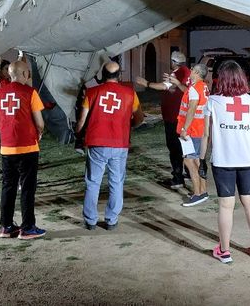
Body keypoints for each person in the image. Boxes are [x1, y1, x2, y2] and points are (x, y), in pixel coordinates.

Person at [200, 60, 250, 264]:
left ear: (221, 79)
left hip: (223, 161)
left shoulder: (212, 102)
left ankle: (225, 251)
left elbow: (205, 135)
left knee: (226, 206)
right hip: (248, 160)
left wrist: (201, 159)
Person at [76, 61, 144, 230]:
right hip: (120, 143)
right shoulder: (130, 93)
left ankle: (90, 220)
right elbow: (140, 117)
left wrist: (78, 133)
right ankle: (111, 219)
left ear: (103, 76)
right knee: (116, 182)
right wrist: (131, 126)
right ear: (119, 75)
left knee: (93, 182)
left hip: (97, 143)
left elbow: (82, 121)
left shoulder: (92, 92)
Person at [0, 60, 47, 239]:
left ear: (10, 74)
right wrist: (39, 132)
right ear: (24, 74)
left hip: (7, 148)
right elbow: (40, 122)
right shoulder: (30, 93)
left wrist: (8, 130)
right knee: (28, 188)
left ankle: (6, 226)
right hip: (28, 147)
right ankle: (28, 227)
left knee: (8, 187)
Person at [135, 51, 191, 189]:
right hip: (183, 116)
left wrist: (146, 83)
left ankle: (178, 178)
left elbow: (164, 86)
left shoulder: (178, 73)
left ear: (174, 62)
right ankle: (191, 173)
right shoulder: (187, 72)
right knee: (186, 146)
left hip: (174, 116)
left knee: (175, 147)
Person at [177, 63, 209, 206]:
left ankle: (197, 194)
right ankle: (203, 190)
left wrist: (185, 128)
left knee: (189, 160)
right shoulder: (203, 86)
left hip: (192, 130)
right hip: (200, 128)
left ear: (196, 72)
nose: (190, 71)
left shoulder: (195, 88)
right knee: (197, 160)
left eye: (192, 70)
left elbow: (191, 109)